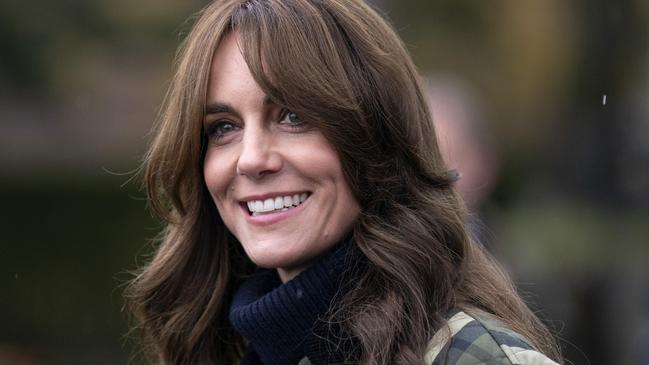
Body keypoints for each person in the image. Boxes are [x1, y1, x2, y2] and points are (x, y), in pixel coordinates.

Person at [126, 1, 562, 364]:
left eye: (294, 116)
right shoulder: (234, 348)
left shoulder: (470, 355)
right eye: (223, 127)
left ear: (376, 139)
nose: (252, 159)